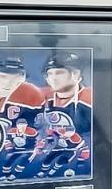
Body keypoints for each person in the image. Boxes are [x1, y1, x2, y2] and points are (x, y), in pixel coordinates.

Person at [26, 52, 94, 181]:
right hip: (52, 147)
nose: (53, 78)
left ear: (75, 74)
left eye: (59, 73)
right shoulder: (41, 96)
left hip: (79, 153)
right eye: (50, 74)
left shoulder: (90, 98)